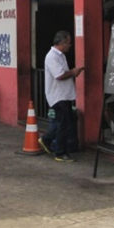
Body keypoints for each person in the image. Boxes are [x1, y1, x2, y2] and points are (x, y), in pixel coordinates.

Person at [40, 31, 84, 162]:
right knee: (63, 124)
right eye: (69, 43)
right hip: (57, 95)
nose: (70, 45)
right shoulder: (52, 57)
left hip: (64, 94)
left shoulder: (60, 56)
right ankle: (60, 152)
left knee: (64, 122)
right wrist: (73, 72)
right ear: (63, 43)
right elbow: (59, 75)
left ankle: (46, 140)